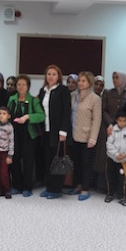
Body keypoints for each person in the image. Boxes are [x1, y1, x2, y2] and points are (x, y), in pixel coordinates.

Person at [7, 74, 45, 197]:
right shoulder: (12, 99)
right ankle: (16, 185)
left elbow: (41, 116)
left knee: (28, 161)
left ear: (28, 86)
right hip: (14, 133)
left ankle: (27, 187)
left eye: (24, 84)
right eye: (19, 84)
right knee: (15, 159)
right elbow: (7, 113)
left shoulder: (34, 100)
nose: (21, 87)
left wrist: (28, 116)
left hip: (29, 135)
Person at [38, 64, 72, 199]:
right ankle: (49, 187)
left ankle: (56, 189)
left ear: (58, 76)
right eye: (49, 74)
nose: (51, 77)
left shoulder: (63, 90)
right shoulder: (42, 91)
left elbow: (67, 112)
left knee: (56, 159)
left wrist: (63, 131)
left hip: (58, 132)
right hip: (45, 132)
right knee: (47, 160)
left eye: (54, 74)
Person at [69, 71, 102, 201]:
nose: (80, 83)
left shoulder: (95, 99)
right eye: (80, 80)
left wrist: (93, 138)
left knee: (86, 163)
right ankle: (78, 185)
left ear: (89, 83)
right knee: (76, 162)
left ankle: (85, 188)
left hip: (87, 136)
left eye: (84, 81)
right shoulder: (73, 95)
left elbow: (97, 120)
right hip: (73, 134)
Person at [96, 71, 126, 192]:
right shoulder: (107, 93)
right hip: (108, 128)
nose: (115, 80)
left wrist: (121, 124)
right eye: (113, 77)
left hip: (122, 130)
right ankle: (103, 186)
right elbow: (103, 110)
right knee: (105, 158)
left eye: (117, 77)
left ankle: (118, 187)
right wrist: (111, 123)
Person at [105, 110, 126, 206]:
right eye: (120, 120)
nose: (122, 123)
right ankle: (110, 194)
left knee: (122, 179)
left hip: (123, 161)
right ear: (116, 120)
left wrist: (125, 154)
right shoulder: (113, 130)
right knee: (110, 177)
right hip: (112, 158)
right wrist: (116, 154)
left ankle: (121, 196)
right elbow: (109, 144)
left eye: (124, 121)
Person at [0, 106, 14, 199]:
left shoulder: (9, 127)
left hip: (5, 153)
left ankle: (7, 190)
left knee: (4, 172)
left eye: (4, 114)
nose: (1, 116)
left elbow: (11, 141)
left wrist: (10, 156)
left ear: (8, 116)